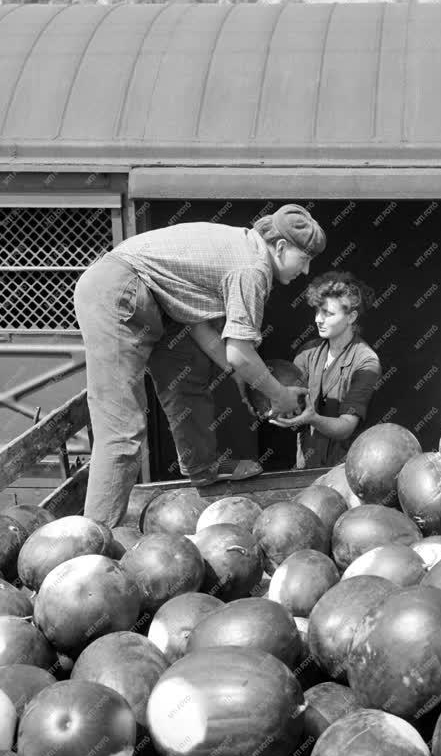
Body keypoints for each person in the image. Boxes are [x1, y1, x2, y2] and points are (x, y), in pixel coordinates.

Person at [74, 204, 326, 527]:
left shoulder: (244, 248)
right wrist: (278, 394)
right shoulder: (253, 268)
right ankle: (93, 538)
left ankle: (203, 466)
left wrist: (242, 377)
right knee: (122, 428)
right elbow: (239, 352)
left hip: (154, 299)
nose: (305, 272)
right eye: (304, 260)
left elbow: (202, 329)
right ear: (280, 247)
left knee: (188, 373)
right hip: (120, 290)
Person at [271, 271, 382, 468]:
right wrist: (274, 403)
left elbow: (347, 426)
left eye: (328, 313)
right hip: (305, 466)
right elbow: (294, 402)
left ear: (351, 317)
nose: (318, 320)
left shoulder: (366, 362)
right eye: (317, 311)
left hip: (347, 470)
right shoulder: (307, 352)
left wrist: (312, 418)